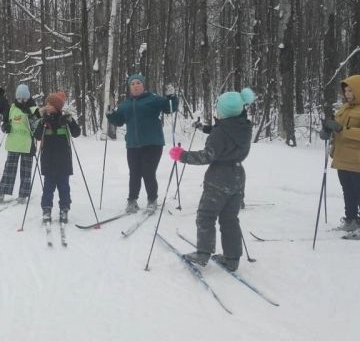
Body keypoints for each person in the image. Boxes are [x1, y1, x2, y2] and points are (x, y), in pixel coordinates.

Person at [168, 87, 256, 272]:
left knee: (206, 216)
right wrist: (205, 128)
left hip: (219, 177)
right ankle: (232, 259)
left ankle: (203, 253)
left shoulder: (221, 132)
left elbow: (208, 155)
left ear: (223, 111)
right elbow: (226, 135)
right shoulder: (244, 126)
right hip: (238, 175)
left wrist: (182, 155)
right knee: (230, 218)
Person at [106, 74, 179, 214]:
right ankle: (132, 201)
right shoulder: (125, 104)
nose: (135, 86)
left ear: (143, 85)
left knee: (148, 172)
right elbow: (119, 121)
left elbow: (170, 108)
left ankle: (152, 200)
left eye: (138, 83)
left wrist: (171, 97)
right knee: (134, 173)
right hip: (133, 144)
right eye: (132, 84)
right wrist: (110, 115)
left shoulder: (153, 99)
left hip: (152, 143)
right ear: (129, 87)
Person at [320, 75, 360, 240]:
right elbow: (335, 126)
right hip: (341, 156)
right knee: (347, 190)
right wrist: (327, 130)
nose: (347, 94)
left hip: (358, 157)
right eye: (345, 90)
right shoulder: (345, 108)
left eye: (350, 90)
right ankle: (351, 220)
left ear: (359, 90)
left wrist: (340, 128)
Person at [33, 92, 80, 224]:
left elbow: (76, 133)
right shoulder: (43, 119)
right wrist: (42, 123)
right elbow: (36, 136)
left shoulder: (65, 118)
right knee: (48, 187)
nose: (47, 106)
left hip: (63, 159)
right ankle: (46, 209)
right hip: (48, 159)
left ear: (57, 106)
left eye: (50, 104)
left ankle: (64, 209)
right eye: (46, 103)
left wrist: (70, 121)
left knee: (64, 187)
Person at [0, 84, 40, 205]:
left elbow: (36, 127)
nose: (22, 101)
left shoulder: (34, 109)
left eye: (24, 99)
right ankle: (1, 193)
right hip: (13, 143)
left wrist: (30, 115)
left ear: (28, 97)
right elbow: (6, 121)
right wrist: (5, 126)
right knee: (9, 169)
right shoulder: (12, 107)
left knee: (26, 171)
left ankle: (23, 194)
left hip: (27, 144)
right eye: (19, 98)